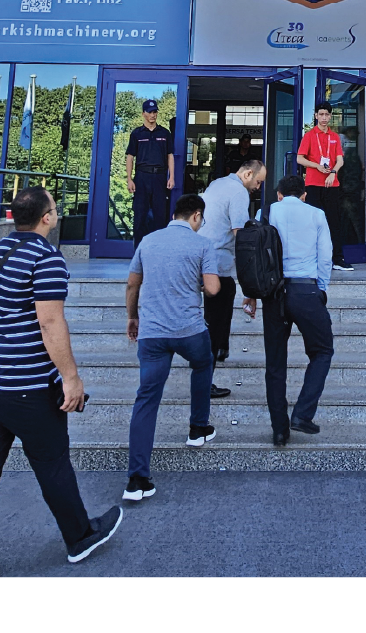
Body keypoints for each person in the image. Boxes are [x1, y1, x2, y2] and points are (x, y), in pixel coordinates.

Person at [0, 187, 123, 577]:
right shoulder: (46, 258)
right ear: (47, 217)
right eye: (55, 209)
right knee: (52, 462)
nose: (56, 214)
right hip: (25, 386)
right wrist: (71, 378)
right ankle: (80, 537)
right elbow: (50, 322)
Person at [122, 194, 221, 502]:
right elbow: (213, 288)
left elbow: (132, 284)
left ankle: (137, 480)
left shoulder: (148, 241)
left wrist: (132, 317)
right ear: (196, 216)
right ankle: (198, 428)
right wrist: (198, 282)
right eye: (201, 219)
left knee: (146, 398)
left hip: (152, 334)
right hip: (189, 330)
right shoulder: (202, 244)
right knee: (203, 363)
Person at [243, 175, 332, 446]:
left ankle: (279, 430)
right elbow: (325, 256)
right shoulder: (316, 214)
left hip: (274, 293)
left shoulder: (267, 212)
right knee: (322, 351)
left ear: (279, 195)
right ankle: (303, 413)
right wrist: (321, 289)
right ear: (304, 195)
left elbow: (255, 255)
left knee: (275, 362)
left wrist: (252, 293)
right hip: (306, 290)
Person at [198, 157, 266, 394]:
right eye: (258, 182)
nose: (258, 187)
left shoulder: (217, 184)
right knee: (216, 318)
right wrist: (252, 278)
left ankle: (220, 348)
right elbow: (241, 236)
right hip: (218, 263)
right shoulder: (239, 193)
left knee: (215, 310)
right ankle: (206, 379)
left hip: (203, 258)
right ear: (247, 174)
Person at [297, 104, 353, 271]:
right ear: (316, 116)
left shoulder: (334, 136)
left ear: (330, 116)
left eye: (326, 114)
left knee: (334, 222)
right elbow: (300, 158)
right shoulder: (309, 135)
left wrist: (333, 172)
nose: (323, 117)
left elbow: (340, 160)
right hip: (313, 184)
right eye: (321, 114)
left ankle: (337, 259)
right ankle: (311, 258)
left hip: (331, 184)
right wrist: (316, 166)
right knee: (312, 223)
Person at [125, 99, 175, 246]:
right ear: (143, 114)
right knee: (140, 216)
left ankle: (158, 251)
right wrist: (129, 179)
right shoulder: (136, 133)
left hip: (160, 177)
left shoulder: (164, 133)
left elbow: (170, 155)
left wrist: (171, 177)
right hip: (142, 177)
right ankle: (138, 252)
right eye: (150, 112)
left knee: (160, 216)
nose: (153, 115)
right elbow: (130, 157)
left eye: (155, 112)